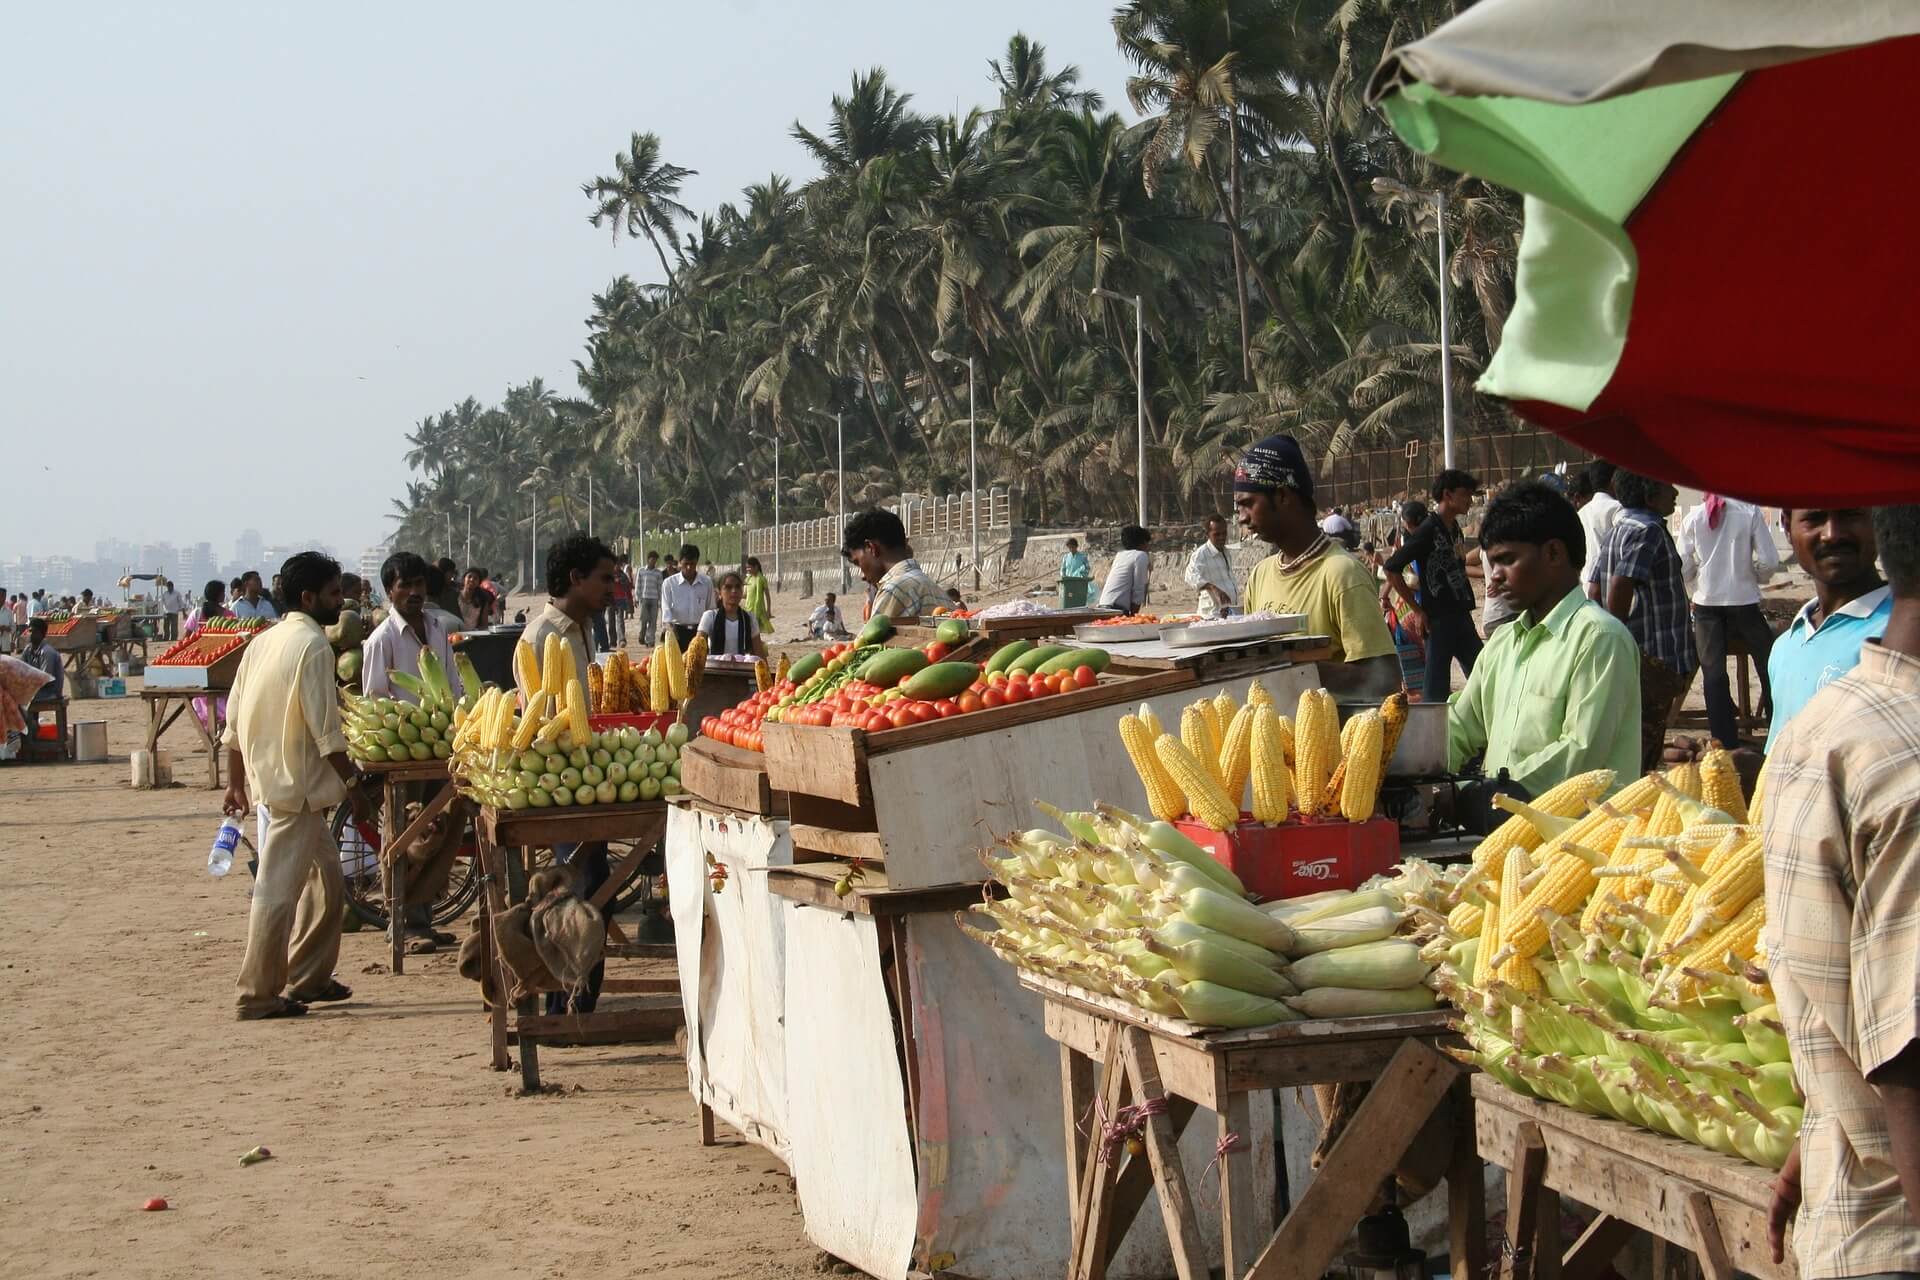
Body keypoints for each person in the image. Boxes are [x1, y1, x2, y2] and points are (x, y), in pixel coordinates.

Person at [1762, 503, 1920, 1280]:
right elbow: (1908, 1047)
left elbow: (1852, 998)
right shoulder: (1911, 764)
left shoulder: (1819, 727)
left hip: (1850, 1205)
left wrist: (1820, 1124)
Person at [222, 552, 369, 1020]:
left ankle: (310, 975)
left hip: (276, 781)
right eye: (332, 593)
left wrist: (235, 783)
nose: (340, 600)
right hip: (298, 788)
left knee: (328, 878)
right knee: (276, 892)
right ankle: (257, 994)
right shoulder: (313, 646)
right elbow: (326, 731)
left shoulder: (264, 642)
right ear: (308, 598)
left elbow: (233, 721)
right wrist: (356, 784)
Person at [1446, 482, 1641, 797]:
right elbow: (1461, 726)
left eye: (1507, 560)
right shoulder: (1503, 642)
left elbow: (1579, 754)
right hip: (1508, 831)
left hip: (1575, 833)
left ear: (1553, 553)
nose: (1494, 575)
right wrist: (1408, 759)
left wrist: (1483, 794)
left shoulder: (1599, 639)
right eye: (1492, 562)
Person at [515, 533, 619, 1015]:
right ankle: (564, 1003)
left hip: (585, 775)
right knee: (579, 887)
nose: (612, 588)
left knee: (597, 883)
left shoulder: (580, 630)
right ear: (575, 579)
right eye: (604, 579)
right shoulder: (540, 636)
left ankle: (577, 999)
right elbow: (540, 716)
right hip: (559, 783)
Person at [1235, 434, 1401, 696]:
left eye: (1247, 503)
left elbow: (1384, 678)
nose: (1241, 518)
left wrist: (1291, 670)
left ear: (1282, 496)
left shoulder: (1341, 573)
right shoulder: (1260, 575)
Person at [1589, 470, 1695, 770]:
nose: (1674, 492)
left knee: (1634, 740)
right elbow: (1622, 583)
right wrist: (1617, 636)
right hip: (1653, 658)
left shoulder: (1618, 528)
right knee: (1645, 745)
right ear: (1649, 495)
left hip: (1639, 655)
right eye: (1667, 485)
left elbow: (1595, 587)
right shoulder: (1647, 530)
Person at [1766, 506, 1889, 751]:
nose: (1832, 534)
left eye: (1851, 515)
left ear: (1879, 522)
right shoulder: (1786, 646)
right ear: (1788, 527)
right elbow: (1784, 765)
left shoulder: (1900, 631)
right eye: (1814, 517)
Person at [1678, 494, 1780, 749]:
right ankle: (1777, 729)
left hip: (1706, 605)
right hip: (1744, 602)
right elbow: (1769, 560)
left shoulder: (1694, 516)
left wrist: (1696, 582)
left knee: (1713, 674)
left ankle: (1724, 741)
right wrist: (1754, 576)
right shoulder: (1750, 512)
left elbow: (1683, 563)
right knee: (1768, 666)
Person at [1385, 469, 1484, 699]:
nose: (1470, 500)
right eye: (1465, 494)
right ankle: (1433, 732)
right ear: (1448, 495)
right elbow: (1391, 568)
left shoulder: (1454, 528)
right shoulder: (1428, 530)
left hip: (1460, 613)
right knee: (1436, 686)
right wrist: (1418, 611)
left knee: (1483, 673)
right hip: (1438, 620)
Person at [361, 553, 464, 706]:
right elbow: (375, 701)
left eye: (419, 583)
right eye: (405, 585)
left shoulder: (438, 628)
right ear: (389, 592)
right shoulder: (381, 640)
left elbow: (453, 683)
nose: (414, 592)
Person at [843, 509, 944, 621]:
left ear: (871, 548)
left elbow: (868, 638)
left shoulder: (894, 589)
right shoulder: (934, 588)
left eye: (858, 562)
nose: (862, 576)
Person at [1570, 460, 1623, 593]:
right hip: (1610, 589)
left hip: (1585, 588)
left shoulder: (1581, 513)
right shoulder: (1618, 509)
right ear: (1613, 481)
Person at [698, 572, 769, 658]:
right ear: (719, 593)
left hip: (742, 668)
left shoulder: (749, 618)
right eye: (728, 587)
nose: (734, 591)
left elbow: (759, 653)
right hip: (716, 668)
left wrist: (766, 670)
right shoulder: (710, 616)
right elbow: (697, 648)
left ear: (742, 591)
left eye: (737, 587)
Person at [662, 544, 716, 651]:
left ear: (696, 562)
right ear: (679, 563)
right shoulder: (669, 584)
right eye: (686, 564)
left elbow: (711, 610)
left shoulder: (706, 582)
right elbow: (666, 611)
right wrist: (671, 633)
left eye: (692, 564)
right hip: (677, 633)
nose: (689, 567)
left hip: (700, 632)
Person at [1183, 515, 1239, 617]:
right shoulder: (1201, 554)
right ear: (1207, 535)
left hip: (1228, 613)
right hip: (1211, 615)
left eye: (1224, 533)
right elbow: (1190, 576)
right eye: (1217, 534)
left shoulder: (1226, 552)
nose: (1222, 537)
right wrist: (1213, 588)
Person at [18, 618, 65, 735]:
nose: (29, 634)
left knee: (16, 701)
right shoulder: (28, 649)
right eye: (29, 631)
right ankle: (30, 730)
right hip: (36, 689)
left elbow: (45, 680)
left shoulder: (47, 652)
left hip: (50, 692)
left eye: (32, 631)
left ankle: (29, 732)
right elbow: (20, 670)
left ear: (40, 634)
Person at [1098, 526, 1154, 614]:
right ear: (1142, 542)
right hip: (1116, 608)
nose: (1148, 546)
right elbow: (1138, 588)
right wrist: (1133, 615)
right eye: (1147, 543)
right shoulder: (1140, 556)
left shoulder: (1120, 555)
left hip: (1104, 604)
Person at [634, 551, 663, 647]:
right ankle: (642, 635)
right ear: (648, 559)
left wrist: (661, 600)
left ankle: (650, 640)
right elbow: (638, 584)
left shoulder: (658, 573)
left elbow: (660, 587)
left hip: (654, 599)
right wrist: (637, 597)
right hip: (644, 598)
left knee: (653, 621)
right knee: (644, 621)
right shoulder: (641, 571)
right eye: (652, 559)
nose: (654, 561)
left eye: (655, 559)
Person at [741, 556, 772, 636]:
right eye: (746, 568)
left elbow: (767, 596)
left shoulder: (762, 579)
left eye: (749, 567)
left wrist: (768, 610)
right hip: (748, 608)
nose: (747, 569)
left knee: (756, 632)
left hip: (759, 610)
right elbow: (745, 595)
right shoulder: (748, 579)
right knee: (748, 630)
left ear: (756, 567)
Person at [607, 556, 633, 648]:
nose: (617, 567)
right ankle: (612, 641)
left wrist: (630, 600)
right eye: (615, 565)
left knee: (620, 621)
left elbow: (628, 587)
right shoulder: (608, 575)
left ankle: (622, 639)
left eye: (618, 565)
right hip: (610, 600)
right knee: (611, 622)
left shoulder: (623, 575)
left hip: (621, 600)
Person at [1060, 537, 1093, 608]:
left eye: (1072, 547)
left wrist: (1083, 575)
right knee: (1069, 599)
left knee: (1078, 600)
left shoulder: (1082, 557)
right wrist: (1063, 577)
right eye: (1069, 547)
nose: (1071, 549)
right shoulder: (1066, 557)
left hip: (1079, 582)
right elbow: (1063, 569)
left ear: (1076, 546)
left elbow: (1087, 568)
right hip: (1068, 583)